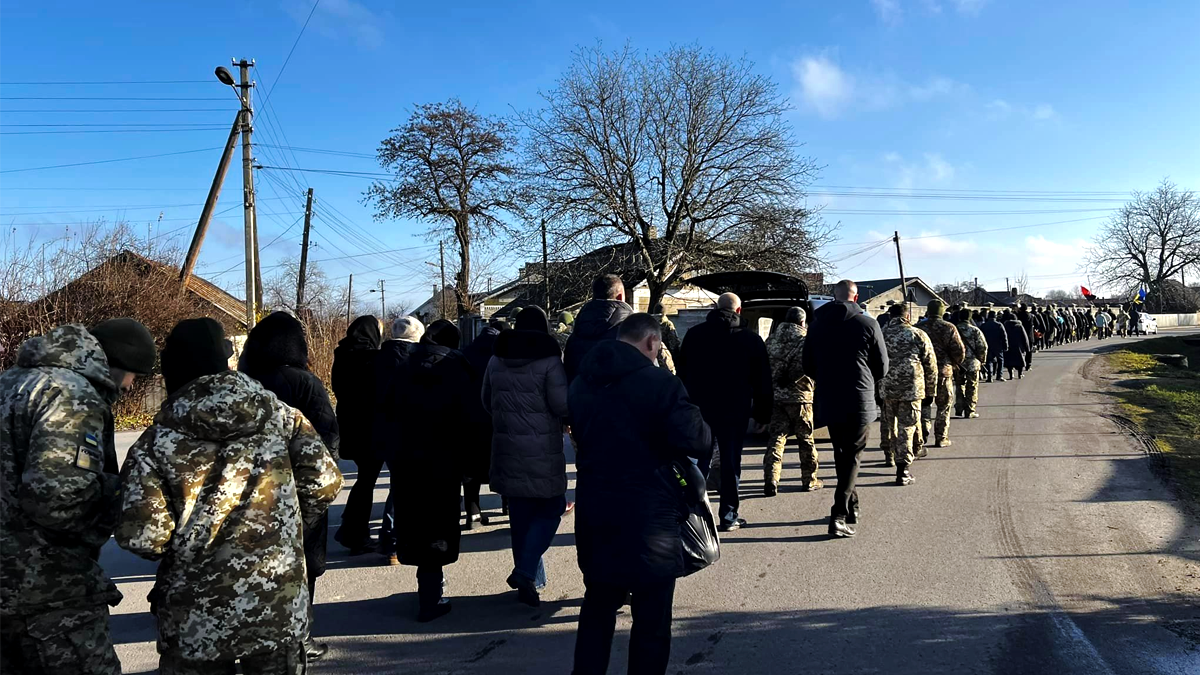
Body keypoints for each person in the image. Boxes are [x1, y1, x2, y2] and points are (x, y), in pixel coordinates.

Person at [117, 318, 342, 675]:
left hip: (195, 618)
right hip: (277, 605)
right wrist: (287, 524)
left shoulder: (156, 441)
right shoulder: (284, 418)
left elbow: (143, 537)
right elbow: (325, 483)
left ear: (172, 370)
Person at [0, 319, 155, 675]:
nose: (131, 387)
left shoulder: (10, 382)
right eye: (134, 376)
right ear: (118, 365)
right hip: (50, 595)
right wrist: (119, 491)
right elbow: (58, 499)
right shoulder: (72, 396)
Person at [568, 313, 712, 675]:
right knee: (651, 619)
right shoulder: (662, 384)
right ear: (652, 342)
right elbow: (697, 440)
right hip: (651, 515)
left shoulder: (582, 383)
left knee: (598, 606)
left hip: (596, 509)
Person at [239, 311, 339, 660]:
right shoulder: (306, 383)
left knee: (254, 567)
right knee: (304, 567)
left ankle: (253, 637)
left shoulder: (245, 382)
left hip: (249, 492)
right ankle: (301, 638)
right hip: (298, 490)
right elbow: (328, 438)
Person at [382, 320, 472, 622]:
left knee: (415, 521)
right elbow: (469, 416)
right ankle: (431, 595)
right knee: (438, 523)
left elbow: (386, 413)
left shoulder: (404, 367)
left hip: (407, 459)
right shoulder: (457, 368)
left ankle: (428, 588)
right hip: (444, 459)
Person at [482, 306, 570, 607]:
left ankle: (530, 580)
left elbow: (486, 400)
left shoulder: (497, 358)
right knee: (553, 506)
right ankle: (525, 571)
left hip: (507, 445)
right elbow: (561, 404)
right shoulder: (549, 359)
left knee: (520, 517)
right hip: (542, 447)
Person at [677, 292, 772, 531]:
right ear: (738, 311)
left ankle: (694, 513)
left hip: (700, 408)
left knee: (699, 461)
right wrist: (762, 414)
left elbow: (682, 373)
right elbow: (763, 380)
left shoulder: (694, 335)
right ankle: (728, 516)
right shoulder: (750, 339)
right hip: (734, 410)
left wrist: (683, 407)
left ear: (716, 308)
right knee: (731, 462)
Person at [802, 280, 888, 538]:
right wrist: (864, 378)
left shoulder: (817, 325)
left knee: (843, 455)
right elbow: (882, 366)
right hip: (859, 398)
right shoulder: (868, 324)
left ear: (834, 296)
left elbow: (807, 365)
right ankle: (838, 514)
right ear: (856, 297)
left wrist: (827, 377)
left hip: (830, 397)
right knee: (852, 456)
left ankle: (851, 507)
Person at [373, 316, 426, 561]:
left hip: (384, 429)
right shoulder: (415, 360)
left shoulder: (378, 358)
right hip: (411, 430)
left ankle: (391, 537)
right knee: (406, 486)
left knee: (398, 483)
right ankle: (394, 539)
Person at [332, 315, 384, 555]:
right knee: (367, 480)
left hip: (348, 423)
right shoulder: (372, 359)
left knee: (365, 478)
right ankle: (355, 532)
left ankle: (351, 525)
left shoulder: (342, 355)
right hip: (369, 426)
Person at [763, 306, 819, 495]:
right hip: (800, 397)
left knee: (776, 438)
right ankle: (809, 480)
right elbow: (807, 365)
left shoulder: (771, 339)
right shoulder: (806, 340)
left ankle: (771, 479)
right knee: (805, 439)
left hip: (776, 397)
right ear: (803, 322)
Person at [879, 304, 937, 485]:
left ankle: (890, 455)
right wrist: (931, 390)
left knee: (890, 424)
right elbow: (930, 364)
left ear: (890, 316)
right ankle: (903, 470)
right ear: (908, 316)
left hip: (887, 387)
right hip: (912, 388)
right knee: (908, 426)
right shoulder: (917, 334)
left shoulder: (880, 334)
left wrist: (876, 388)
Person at [461, 317, 507, 528]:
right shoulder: (503, 354)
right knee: (505, 460)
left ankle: (473, 512)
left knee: (470, 466)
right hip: (499, 414)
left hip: (469, 416)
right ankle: (508, 504)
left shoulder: (465, 353)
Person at [564, 274, 633, 383]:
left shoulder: (575, 335)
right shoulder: (632, 333)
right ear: (620, 297)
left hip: (579, 392)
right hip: (621, 393)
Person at [915, 300, 965, 448]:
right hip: (944, 371)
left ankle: (923, 431)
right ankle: (941, 437)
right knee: (943, 405)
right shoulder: (949, 327)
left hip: (923, 372)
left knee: (924, 403)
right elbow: (959, 350)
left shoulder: (918, 328)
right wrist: (955, 363)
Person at [954, 308, 988, 419]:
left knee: (959, 385)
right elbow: (982, 347)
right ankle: (970, 410)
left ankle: (959, 407)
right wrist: (982, 360)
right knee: (972, 386)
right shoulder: (975, 330)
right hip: (972, 363)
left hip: (958, 363)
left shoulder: (953, 330)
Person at [981, 311, 1009, 382]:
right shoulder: (999, 325)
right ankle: (999, 375)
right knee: (1000, 360)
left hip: (987, 345)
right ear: (995, 316)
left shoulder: (984, 325)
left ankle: (989, 376)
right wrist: (1006, 346)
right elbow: (1004, 336)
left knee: (989, 361)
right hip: (998, 345)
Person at [1002, 310, 1031, 380]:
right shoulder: (1019, 326)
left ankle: (1011, 374)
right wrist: (1027, 347)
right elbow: (1024, 337)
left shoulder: (1005, 326)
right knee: (1020, 361)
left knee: (1009, 362)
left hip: (1009, 346)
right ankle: (1020, 374)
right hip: (1019, 346)